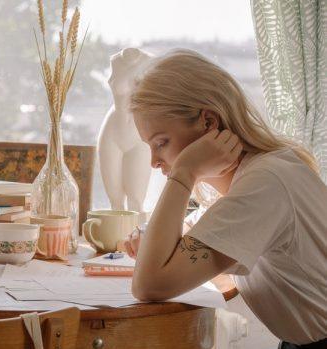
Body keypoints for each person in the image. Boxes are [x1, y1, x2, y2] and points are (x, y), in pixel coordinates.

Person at [123, 49, 327, 348]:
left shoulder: (265, 184)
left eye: (161, 143)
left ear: (208, 122)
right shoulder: (251, 181)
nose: (154, 161)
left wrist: (185, 171)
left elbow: (149, 285)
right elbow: (199, 265)